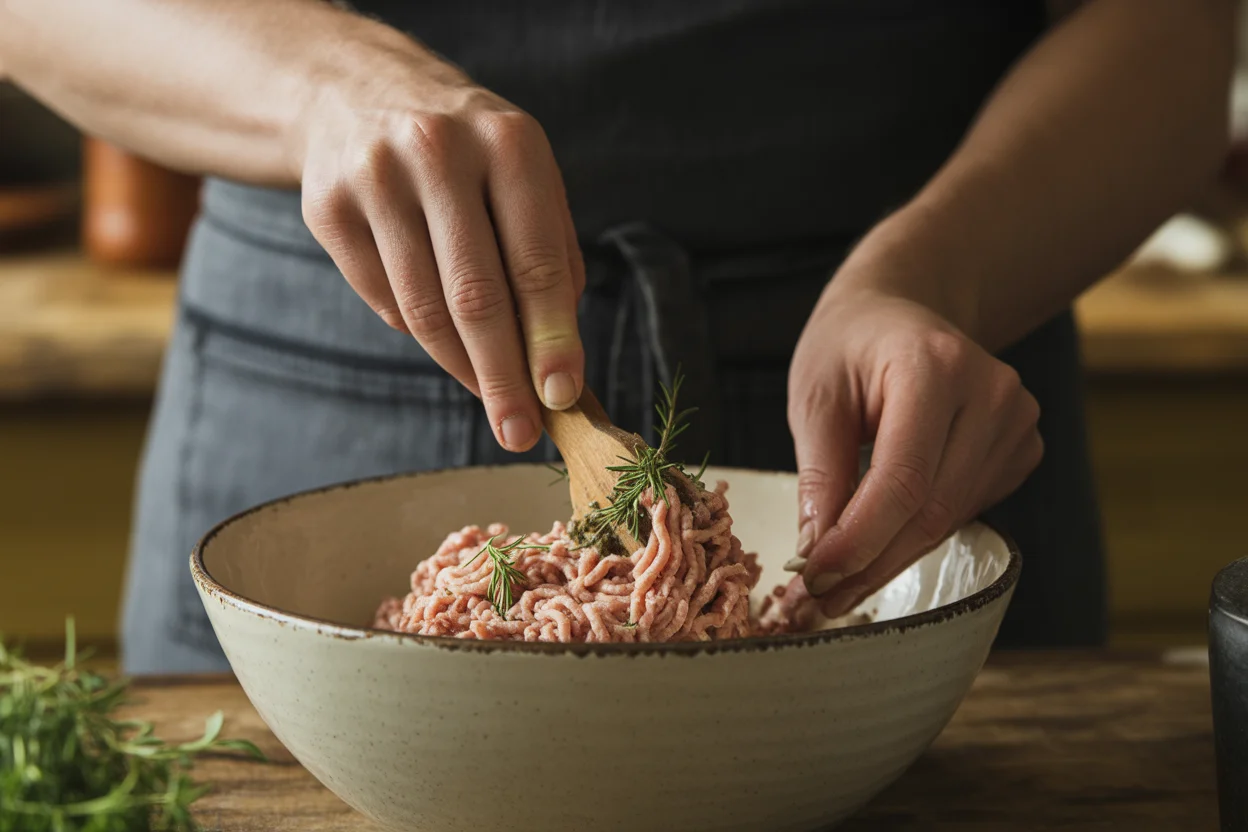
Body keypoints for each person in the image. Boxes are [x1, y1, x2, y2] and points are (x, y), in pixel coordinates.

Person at [0, 0, 1233, 673]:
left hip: (917, 373)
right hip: (316, 370)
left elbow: (1178, 35)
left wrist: (936, 280)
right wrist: (324, 83)